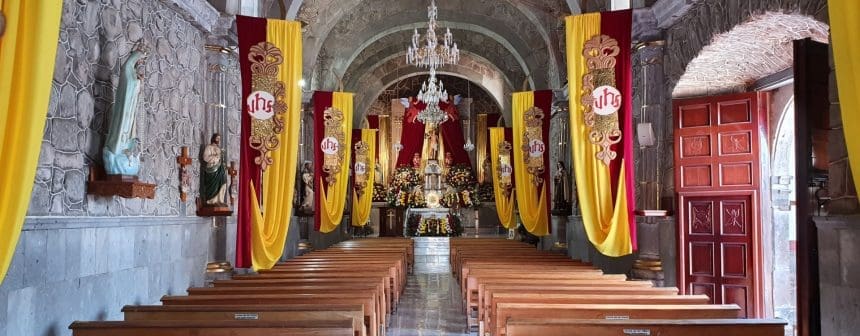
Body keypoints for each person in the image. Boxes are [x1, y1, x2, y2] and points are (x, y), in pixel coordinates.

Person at [103, 45, 147, 175]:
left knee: (127, 129)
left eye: (140, 61)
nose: (140, 63)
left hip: (130, 109)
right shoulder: (127, 70)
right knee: (121, 126)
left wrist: (139, 82)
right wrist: (137, 81)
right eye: (139, 60)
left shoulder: (133, 73)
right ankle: (117, 154)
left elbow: (135, 91)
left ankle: (124, 156)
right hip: (125, 106)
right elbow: (128, 87)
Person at [202, 133, 228, 206]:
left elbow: (221, 159)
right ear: (213, 138)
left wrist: (223, 164)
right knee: (213, 185)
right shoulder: (208, 147)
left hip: (220, 169)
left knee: (223, 182)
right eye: (217, 138)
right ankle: (211, 200)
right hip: (212, 169)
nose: (218, 140)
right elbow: (205, 157)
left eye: (219, 139)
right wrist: (215, 157)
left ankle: (220, 200)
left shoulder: (219, 148)